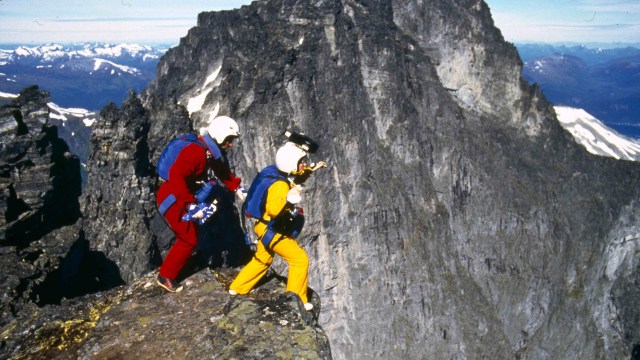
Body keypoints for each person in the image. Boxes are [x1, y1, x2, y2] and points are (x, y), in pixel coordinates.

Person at [229, 141, 326, 310]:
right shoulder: (280, 185)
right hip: (271, 229)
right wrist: (289, 199)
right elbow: (273, 210)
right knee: (299, 259)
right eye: (301, 161)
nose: (303, 164)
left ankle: (237, 287)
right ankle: (295, 300)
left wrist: (312, 168)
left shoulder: (274, 172)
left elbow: (295, 174)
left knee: (263, 258)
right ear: (291, 164)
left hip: (261, 226)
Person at [156, 115, 246, 292]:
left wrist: (235, 187)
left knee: (190, 234)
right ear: (220, 137)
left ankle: (173, 269)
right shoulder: (197, 152)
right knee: (189, 239)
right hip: (172, 198)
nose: (231, 144)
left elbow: (220, 169)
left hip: (176, 195)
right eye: (229, 140)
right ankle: (165, 276)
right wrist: (190, 205)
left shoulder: (206, 150)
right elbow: (176, 176)